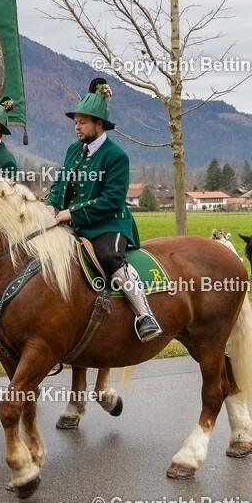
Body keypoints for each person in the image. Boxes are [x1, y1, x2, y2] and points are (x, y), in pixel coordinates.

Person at [45, 78, 162, 342]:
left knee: (109, 257)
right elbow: (61, 183)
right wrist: (51, 204)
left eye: (83, 121)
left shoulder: (116, 155)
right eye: (75, 121)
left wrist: (73, 213)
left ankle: (145, 315)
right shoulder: (73, 150)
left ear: (99, 124)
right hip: (74, 223)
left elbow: (112, 199)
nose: (77, 126)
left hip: (110, 224)